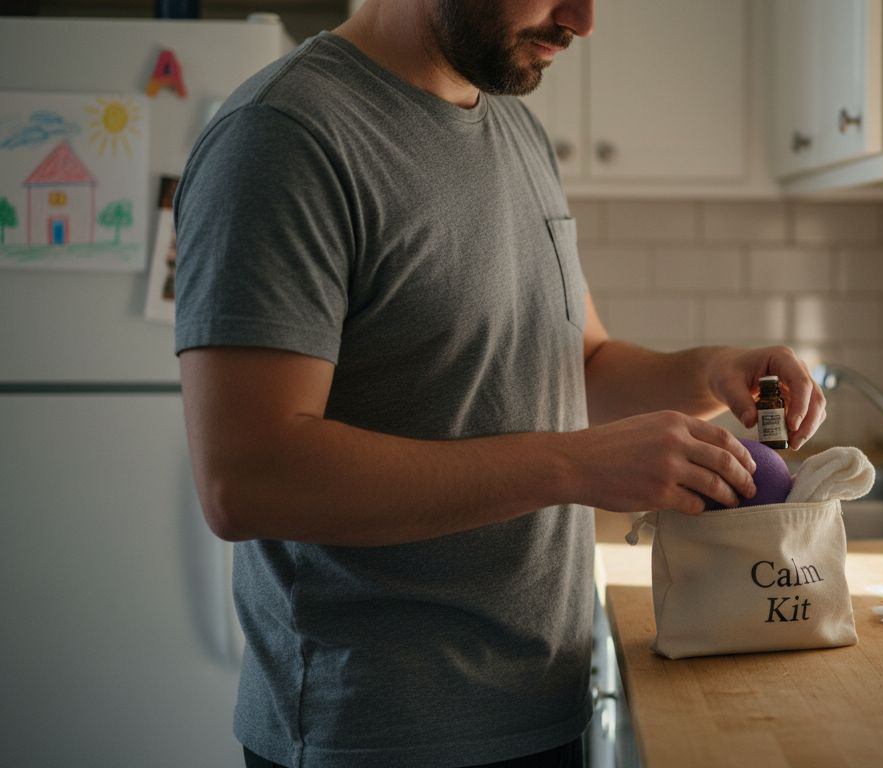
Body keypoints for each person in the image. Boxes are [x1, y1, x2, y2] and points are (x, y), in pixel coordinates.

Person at [174, 1, 826, 766]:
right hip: (381, 737)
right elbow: (249, 479)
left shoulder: (514, 126)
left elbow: (578, 365)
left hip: (539, 703)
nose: (582, 21)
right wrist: (575, 464)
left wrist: (709, 370)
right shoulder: (285, 136)